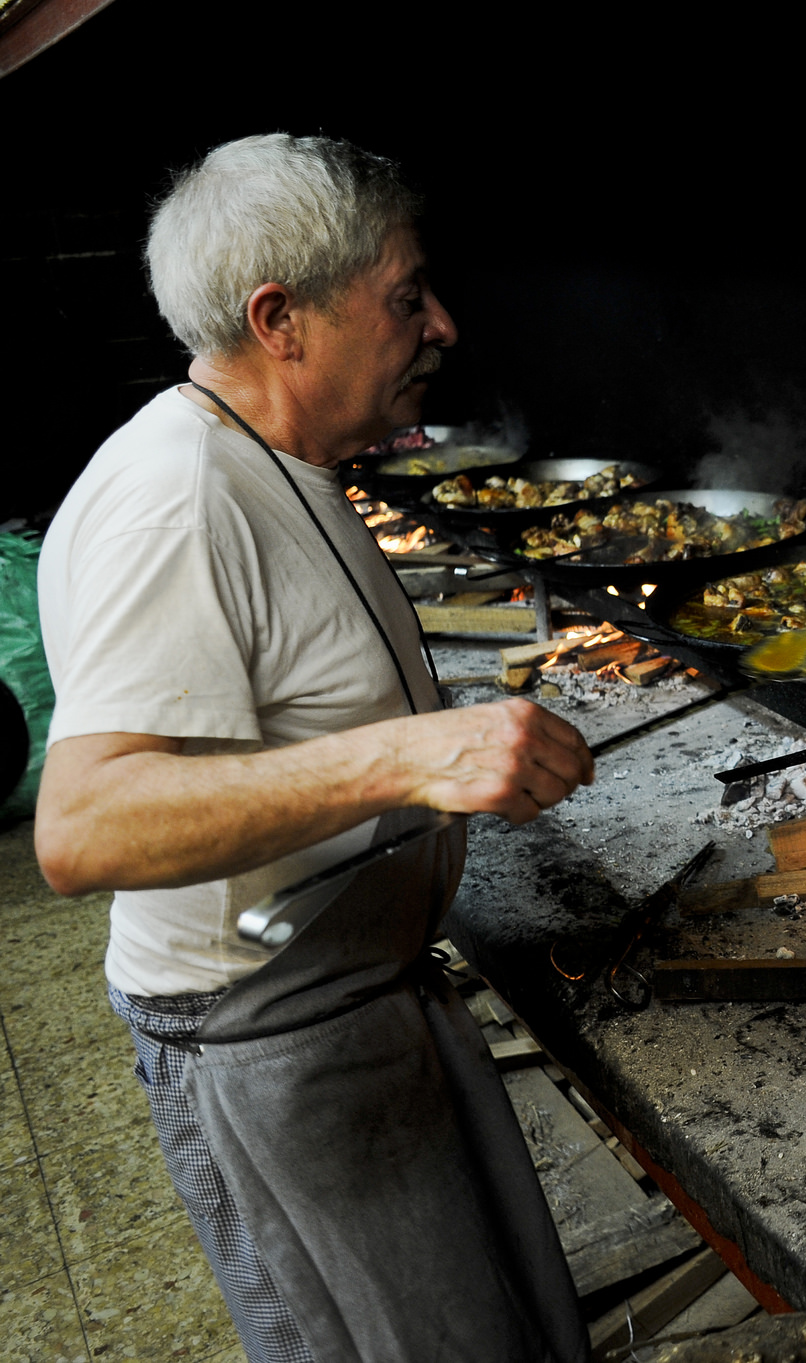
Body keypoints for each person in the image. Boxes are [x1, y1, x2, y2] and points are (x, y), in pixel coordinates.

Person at [35, 134, 595, 1363]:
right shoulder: (175, 497)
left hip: (360, 1000)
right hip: (268, 1048)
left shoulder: (273, 453)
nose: (440, 325)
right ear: (279, 318)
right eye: (404, 298)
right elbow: (83, 829)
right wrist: (406, 759)